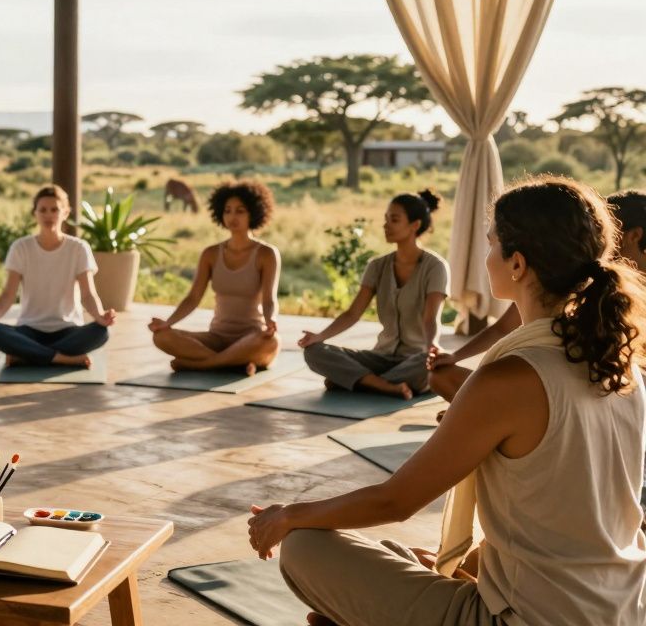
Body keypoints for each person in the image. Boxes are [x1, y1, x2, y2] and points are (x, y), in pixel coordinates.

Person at [249, 176, 646, 626]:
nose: (487, 256)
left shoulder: (509, 378)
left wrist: (287, 516)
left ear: (517, 264)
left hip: (526, 618)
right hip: (622, 610)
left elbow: (394, 502)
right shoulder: (623, 365)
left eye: (492, 244)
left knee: (306, 543)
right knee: (401, 558)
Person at [427, 187, 646, 401]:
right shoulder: (572, 285)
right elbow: (502, 328)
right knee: (443, 377)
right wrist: (456, 357)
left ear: (517, 264)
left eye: (491, 244)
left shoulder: (524, 368)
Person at [298, 191, 448, 399]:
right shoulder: (377, 266)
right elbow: (353, 313)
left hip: (414, 358)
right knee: (314, 352)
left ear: (415, 225)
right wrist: (319, 337)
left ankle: (357, 380)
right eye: (385, 219)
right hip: (380, 356)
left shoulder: (436, 267)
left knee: (429, 365)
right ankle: (383, 385)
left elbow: (431, 318)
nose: (386, 225)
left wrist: (433, 345)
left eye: (394, 219)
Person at [149, 180, 280, 373]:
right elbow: (193, 298)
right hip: (216, 338)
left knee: (271, 342)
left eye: (240, 211)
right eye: (227, 210)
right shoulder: (210, 254)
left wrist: (271, 320)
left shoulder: (266, 254)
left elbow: (269, 299)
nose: (232, 217)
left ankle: (200, 364)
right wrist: (168, 323)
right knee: (161, 337)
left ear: (254, 213)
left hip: (251, 337)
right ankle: (235, 363)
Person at [0, 185, 115, 367]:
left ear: (65, 212)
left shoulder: (79, 248)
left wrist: (100, 316)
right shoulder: (21, 247)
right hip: (28, 330)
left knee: (101, 332)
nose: (48, 215)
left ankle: (27, 355)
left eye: (54, 209)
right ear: (34, 213)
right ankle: (61, 358)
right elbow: (8, 293)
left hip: (68, 330)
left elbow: (88, 293)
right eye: (42, 210)